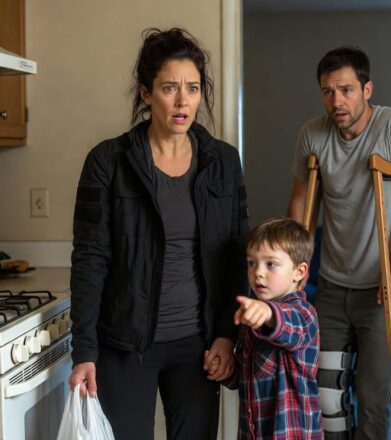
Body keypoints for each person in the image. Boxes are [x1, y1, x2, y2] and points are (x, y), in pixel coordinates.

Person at [68, 27, 249, 440]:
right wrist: (85, 351)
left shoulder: (223, 162)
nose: (183, 101)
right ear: (146, 94)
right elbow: (90, 259)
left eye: (193, 88)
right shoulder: (107, 162)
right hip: (124, 345)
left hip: (199, 345)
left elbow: (237, 254)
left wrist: (227, 335)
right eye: (170, 88)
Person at [288, 46, 391, 439]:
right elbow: (302, 203)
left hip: (382, 290)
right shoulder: (312, 134)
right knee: (326, 397)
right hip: (332, 288)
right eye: (328, 91)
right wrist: (292, 269)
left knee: (372, 398)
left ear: (367, 90)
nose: (337, 101)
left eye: (346, 90)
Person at [207, 217, 323, 439]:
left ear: (299, 272)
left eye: (271, 264)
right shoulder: (253, 316)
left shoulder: (304, 313)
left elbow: (289, 326)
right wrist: (225, 370)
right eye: (252, 263)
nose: (258, 272)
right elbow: (246, 376)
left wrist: (269, 313)